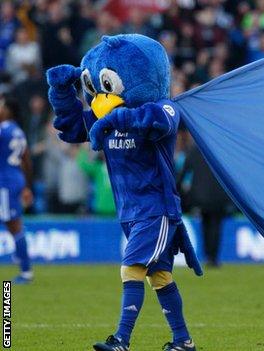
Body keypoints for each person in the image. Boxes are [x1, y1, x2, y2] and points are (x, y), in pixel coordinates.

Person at [46, 34, 201, 351]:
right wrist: (62, 91)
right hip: (130, 212)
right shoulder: (104, 113)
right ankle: (183, 341)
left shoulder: (164, 107)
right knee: (159, 278)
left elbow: (160, 120)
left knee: (131, 268)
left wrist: (115, 119)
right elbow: (73, 127)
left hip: (156, 209)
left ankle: (121, 340)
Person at [0, 96, 34, 284]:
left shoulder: (3, 130)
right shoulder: (17, 131)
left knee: (14, 225)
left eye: (1, 106)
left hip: (5, 182)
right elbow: (26, 160)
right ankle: (22, 261)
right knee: (13, 224)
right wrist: (27, 186)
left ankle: (26, 271)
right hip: (15, 179)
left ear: (8, 111)